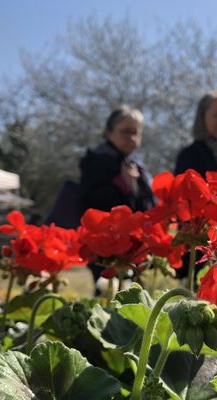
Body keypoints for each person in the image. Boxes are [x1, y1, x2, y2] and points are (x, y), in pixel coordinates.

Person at [79, 105, 155, 294]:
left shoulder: (137, 165)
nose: (131, 138)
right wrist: (122, 185)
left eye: (136, 133)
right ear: (109, 132)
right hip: (105, 243)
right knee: (107, 291)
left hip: (132, 245)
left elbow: (148, 203)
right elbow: (90, 201)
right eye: (125, 132)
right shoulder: (97, 161)